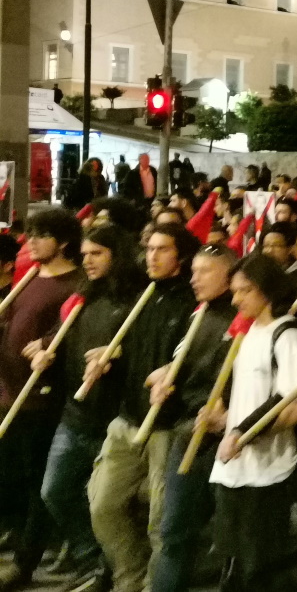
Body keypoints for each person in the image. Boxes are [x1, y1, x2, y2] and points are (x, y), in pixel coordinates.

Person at [87, 224, 199, 592]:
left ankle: (155, 585)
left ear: (180, 256)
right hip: (127, 419)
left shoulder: (194, 305)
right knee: (102, 503)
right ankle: (128, 577)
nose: (152, 256)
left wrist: (173, 373)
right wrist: (111, 357)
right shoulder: (144, 293)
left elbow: (198, 363)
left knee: (159, 520)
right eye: (149, 248)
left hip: (166, 425)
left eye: (162, 249)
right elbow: (130, 348)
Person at [32, 226, 142, 590]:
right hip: (75, 413)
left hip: (112, 418)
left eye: (97, 253)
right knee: (55, 491)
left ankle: (112, 567)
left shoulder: (136, 299)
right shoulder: (84, 295)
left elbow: (150, 353)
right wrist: (47, 350)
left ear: (116, 254)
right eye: (85, 253)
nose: (87, 260)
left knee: (105, 504)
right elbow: (63, 336)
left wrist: (119, 358)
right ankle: (91, 557)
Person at [210, 255, 297, 592]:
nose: (235, 299)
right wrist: (223, 420)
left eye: (245, 291)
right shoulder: (246, 332)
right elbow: (246, 395)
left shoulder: (287, 335)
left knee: (261, 567)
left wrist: (246, 434)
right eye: (235, 290)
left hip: (267, 470)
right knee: (232, 561)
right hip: (232, 467)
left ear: (267, 291)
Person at [0, 209, 84, 591]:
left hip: (40, 399)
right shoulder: (31, 276)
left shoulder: (77, 285)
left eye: (41, 235)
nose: (30, 241)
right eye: (30, 233)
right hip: (8, 392)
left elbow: (66, 336)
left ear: (63, 242)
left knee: (38, 481)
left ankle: (26, 560)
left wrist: (49, 346)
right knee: (11, 475)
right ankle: (19, 534)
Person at [151, 243, 239, 592]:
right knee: (174, 528)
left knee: (230, 535)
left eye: (205, 272)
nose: (194, 279)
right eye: (193, 271)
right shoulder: (198, 313)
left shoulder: (242, 321)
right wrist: (162, 379)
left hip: (231, 436)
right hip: (190, 430)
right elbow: (179, 363)